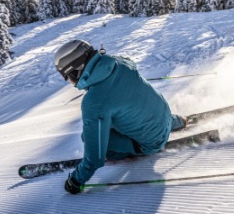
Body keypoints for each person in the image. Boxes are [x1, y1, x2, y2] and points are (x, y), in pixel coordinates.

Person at [54, 39, 185, 194]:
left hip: (153, 142)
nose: (68, 81)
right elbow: (129, 65)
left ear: (76, 70)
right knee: (122, 109)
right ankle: (179, 122)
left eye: (66, 77)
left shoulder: (94, 101)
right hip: (166, 115)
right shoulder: (118, 62)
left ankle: (132, 149)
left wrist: (76, 181)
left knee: (87, 137)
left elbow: (95, 157)